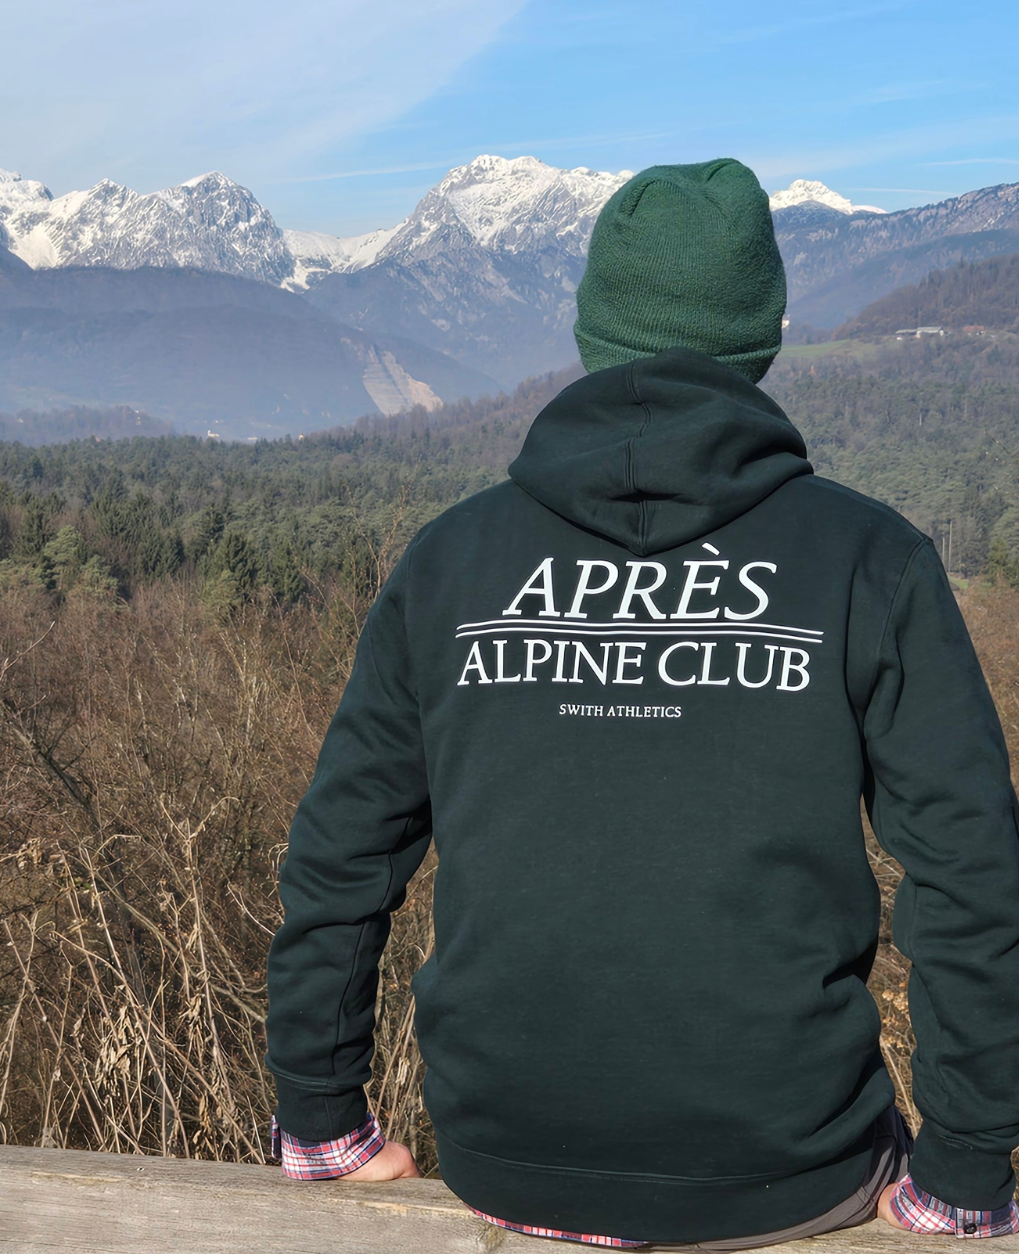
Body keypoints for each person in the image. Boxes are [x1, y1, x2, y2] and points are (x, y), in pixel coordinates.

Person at [265, 159, 1019, 1245]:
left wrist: (320, 1112)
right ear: (764, 332)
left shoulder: (453, 562)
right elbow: (970, 873)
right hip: (791, 1164)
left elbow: (341, 852)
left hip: (506, 1153)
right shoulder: (868, 562)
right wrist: (963, 1167)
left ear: (588, 328)